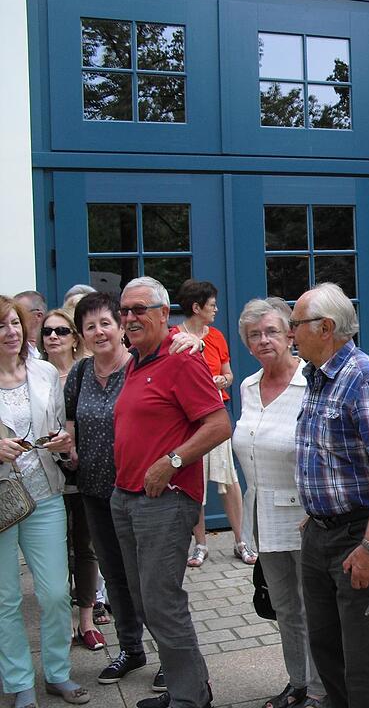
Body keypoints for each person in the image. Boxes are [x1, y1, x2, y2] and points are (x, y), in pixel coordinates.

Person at [65, 292, 199, 691]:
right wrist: (66, 447)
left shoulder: (141, 363)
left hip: (146, 491)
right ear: (83, 335)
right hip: (96, 489)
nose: (100, 331)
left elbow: (175, 351)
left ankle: (172, 664)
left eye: (106, 322)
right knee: (117, 577)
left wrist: (190, 338)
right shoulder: (80, 374)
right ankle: (131, 648)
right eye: (90, 326)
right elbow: (72, 424)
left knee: (153, 586)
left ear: (119, 326)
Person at [111, 277, 231, 708]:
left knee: (162, 602)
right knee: (148, 601)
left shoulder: (180, 359)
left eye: (140, 308)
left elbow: (219, 425)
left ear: (165, 314)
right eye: (125, 310)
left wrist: (172, 461)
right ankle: (190, 689)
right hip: (126, 498)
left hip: (164, 500)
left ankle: (189, 700)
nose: (130, 317)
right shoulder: (136, 361)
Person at [292, 283, 369, 708]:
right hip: (322, 531)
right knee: (326, 647)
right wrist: (316, 510)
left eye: (295, 325)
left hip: (363, 532)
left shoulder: (366, 378)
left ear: (325, 328)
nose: (290, 334)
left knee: (363, 657)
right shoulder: (318, 377)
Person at [233, 298, 324, 708]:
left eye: (271, 331)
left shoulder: (313, 382)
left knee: (316, 607)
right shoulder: (248, 387)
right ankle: (298, 682)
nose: (263, 340)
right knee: (285, 606)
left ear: (291, 334)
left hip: (307, 514)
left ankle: (323, 689)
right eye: (254, 335)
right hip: (263, 512)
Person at [0, 296, 88, 708]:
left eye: (15, 323)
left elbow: (59, 430)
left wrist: (63, 442)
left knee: (54, 593)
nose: (12, 332)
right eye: (2, 325)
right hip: (1, 503)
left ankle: (57, 673)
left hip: (46, 494)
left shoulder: (45, 372)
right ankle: (19, 683)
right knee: (6, 598)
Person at [173, 280, 254, 568]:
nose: (216, 309)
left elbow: (228, 373)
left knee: (229, 479)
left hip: (215, 413)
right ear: (196, 308)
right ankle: (201, 544)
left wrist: (223, 380)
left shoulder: (217, 337)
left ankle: (240, 540)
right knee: (194, 480)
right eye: (212, 305)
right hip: (188, 420)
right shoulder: (174, 337)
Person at [40, 309, 103, 651]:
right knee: (54, 551)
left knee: (85, 547)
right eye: (48, 331)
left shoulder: (88, 371)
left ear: (74, 337)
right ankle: (62, 623)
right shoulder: (33, 374)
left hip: (86, 472)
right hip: (47, 475)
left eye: (62, 330)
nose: (54, 336)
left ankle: (87, 620)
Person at [14, 290, 46, 359]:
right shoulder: (11, 350)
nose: (15, 317)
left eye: (19, 313)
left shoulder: (53, 346)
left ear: (38, 316)